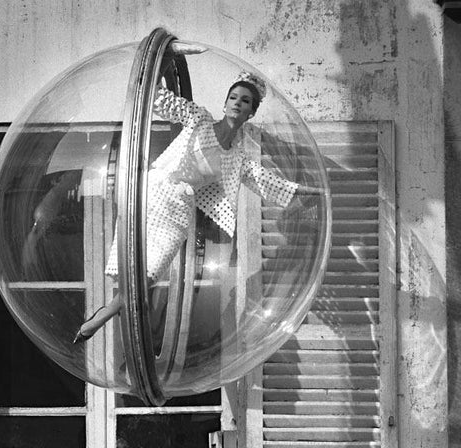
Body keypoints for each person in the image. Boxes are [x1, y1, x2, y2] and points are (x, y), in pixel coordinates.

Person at [73, 60, 321, 343]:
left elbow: (269, 182)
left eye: (246, 101)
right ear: (225, 102)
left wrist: (313, 193)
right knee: (128, 272)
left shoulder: (237, 158)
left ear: (251, 112)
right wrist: (167, 56)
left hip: (179, 209)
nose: (237, 104)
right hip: (153, 192)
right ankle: (102, 321)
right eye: (233, 98)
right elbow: (156, 99)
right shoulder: (199, 119)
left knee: (149, 275)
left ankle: (101, 317)